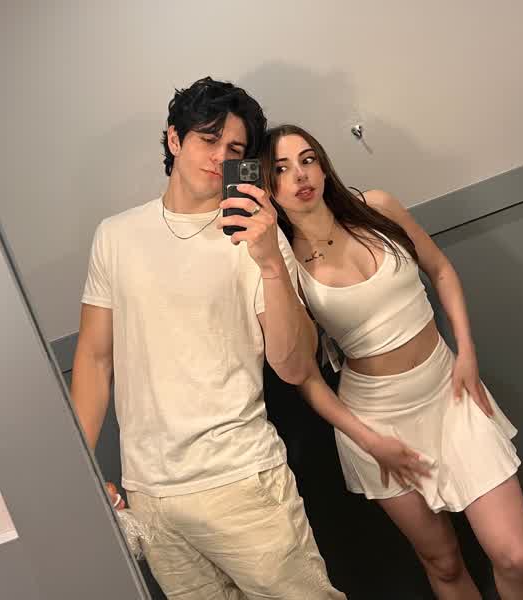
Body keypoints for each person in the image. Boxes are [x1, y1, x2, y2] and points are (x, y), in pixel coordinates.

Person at [70, 79, 346, 600]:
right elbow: (93, 357)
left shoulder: (257, 235)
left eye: (235, 149)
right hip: (151, 495)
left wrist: (270, 262)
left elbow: (293, 365)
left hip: (243, 481)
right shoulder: (116, 236)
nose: (220, 157)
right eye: (208, 139)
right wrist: (79, 470)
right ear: (175, 139)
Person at [259, 124, 523, 599]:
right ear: (267, 187)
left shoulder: (376, 207)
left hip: (449, 390)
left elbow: (441, 270)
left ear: (324, 166)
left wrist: (467, 355)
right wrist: (371, 441)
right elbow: (305, 378)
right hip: (376, 420)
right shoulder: (283, 264)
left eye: (308, 160)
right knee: (443, 563)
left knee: (515, 556)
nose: (300, 175)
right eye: (281, 169)